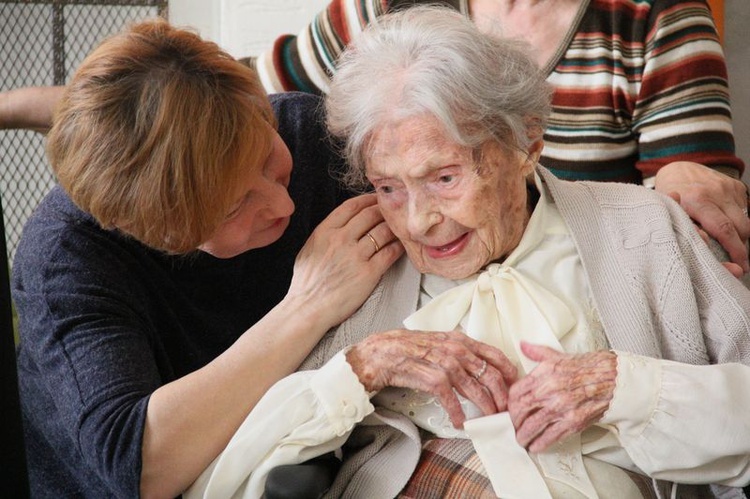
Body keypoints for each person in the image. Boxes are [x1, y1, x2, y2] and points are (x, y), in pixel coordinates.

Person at [187, 7, 750, 498]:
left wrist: (624, 386)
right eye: (388, 186)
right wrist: (358, 370)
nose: (418, 220)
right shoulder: (360, 266)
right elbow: (230, 475)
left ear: (525, 145)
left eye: (445, 178)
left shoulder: (643, 229)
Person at [2, 0, 748, 277]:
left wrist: (683, 180)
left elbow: (699, 221)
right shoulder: (379, 10)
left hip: (576, 294)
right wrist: (21, 104)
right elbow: (198, 100)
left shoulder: (656, 19)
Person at [11, 19, 404, 498]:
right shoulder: (66, 261)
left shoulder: (306, 130)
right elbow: (142, 467)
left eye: (267, 159)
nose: (283, 205)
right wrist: (308, 303)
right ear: (159, 231)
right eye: (235, 206)